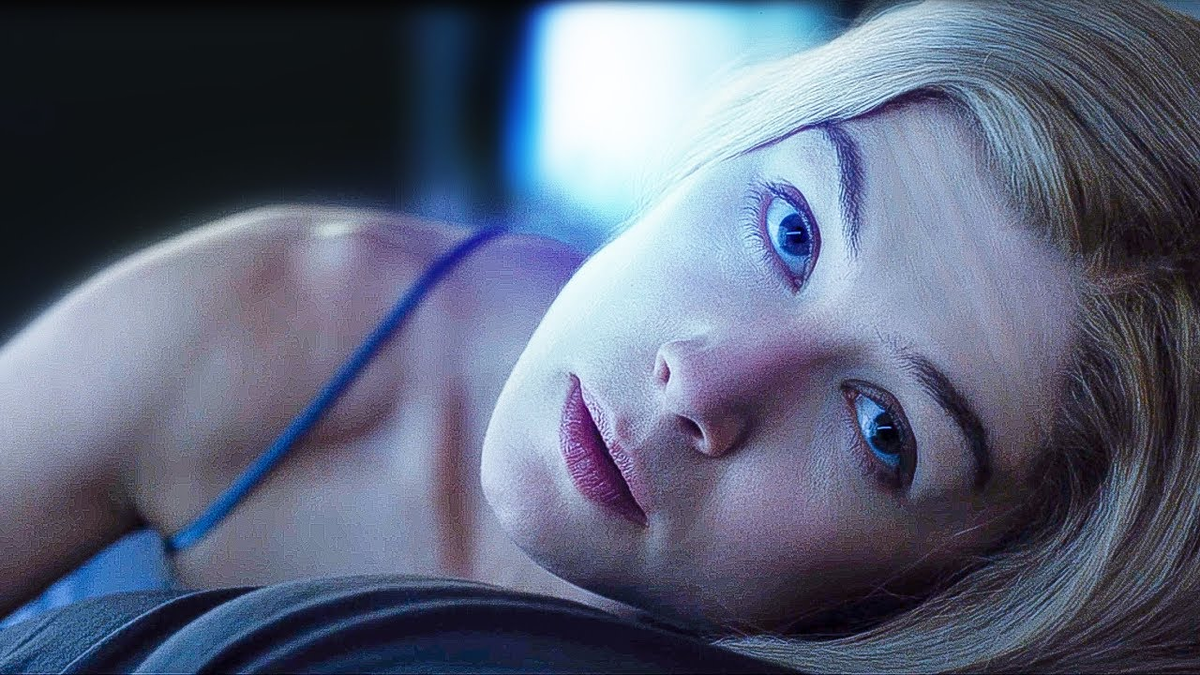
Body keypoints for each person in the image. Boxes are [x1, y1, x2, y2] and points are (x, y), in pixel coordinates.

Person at [2, 0, 1199, 671]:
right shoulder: (275, 317)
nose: (702, 382)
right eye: (790, 230)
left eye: (883, 429)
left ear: (982, 588)